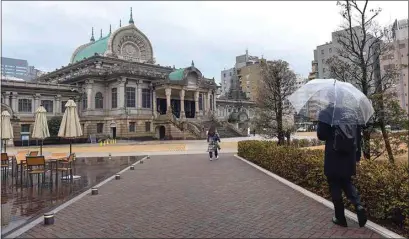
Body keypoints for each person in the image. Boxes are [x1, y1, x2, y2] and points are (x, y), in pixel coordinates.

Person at [316, 91, 367, 228]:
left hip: (333, 155)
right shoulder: (351, 112)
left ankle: (340, 218)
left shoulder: (326, 112)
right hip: (349, 155)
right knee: (347, 181)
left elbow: (321, 135)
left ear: (329, 98)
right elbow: (358, 135)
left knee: (334, 185)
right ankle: (358, 205)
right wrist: (357, 155)